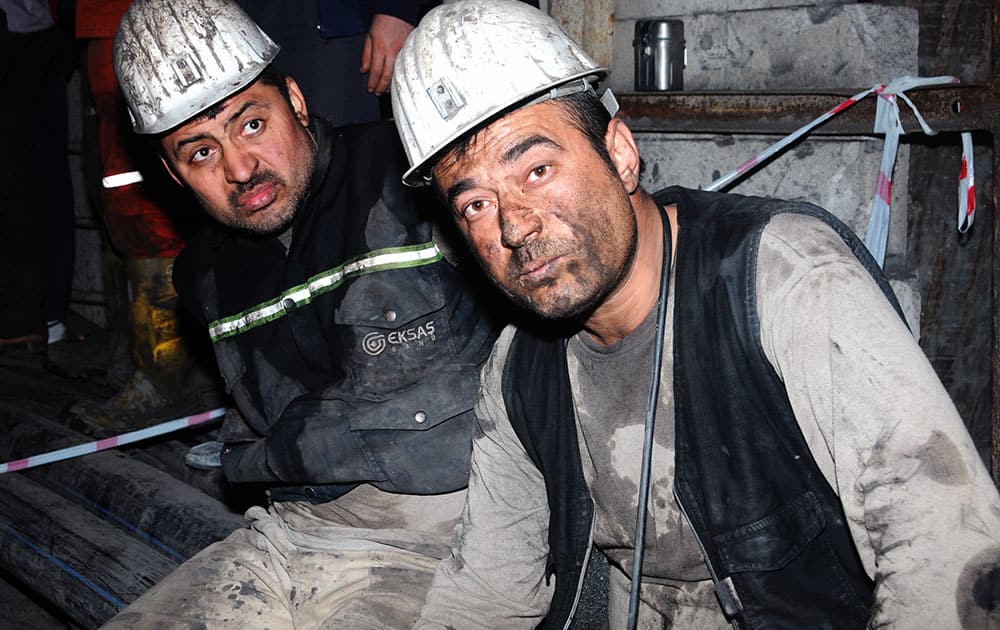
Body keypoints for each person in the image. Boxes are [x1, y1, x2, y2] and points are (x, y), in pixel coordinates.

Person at [389, 1, 1000, 628]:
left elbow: (942, 553)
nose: (513, 225)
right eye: (474, 206)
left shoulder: (783, 281)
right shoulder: (519, 372)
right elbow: (484, 597)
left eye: (537, 170)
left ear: (621, 154)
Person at [102, 0, 498, 627]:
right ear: (173, 176)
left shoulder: (413, 183)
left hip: (445, 536)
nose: (238, 168)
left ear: (296, 99)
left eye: (251, 124)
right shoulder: (204, 275)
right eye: (199, 152)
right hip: (288, 535)